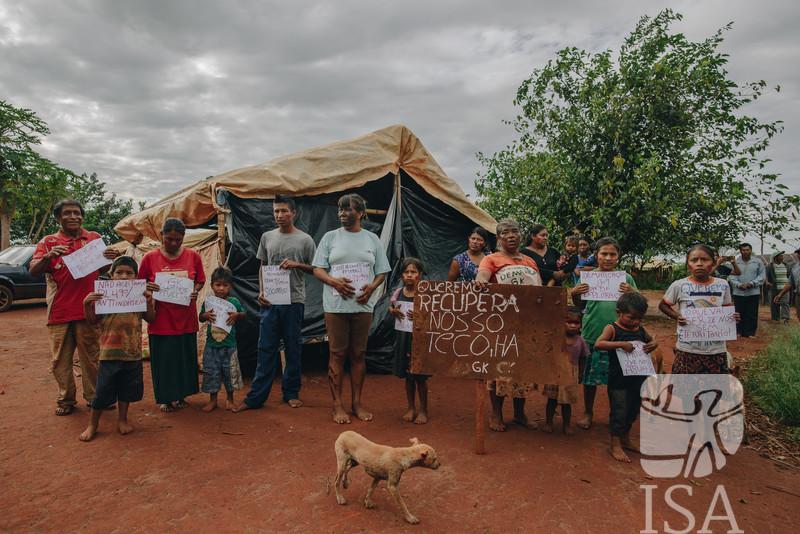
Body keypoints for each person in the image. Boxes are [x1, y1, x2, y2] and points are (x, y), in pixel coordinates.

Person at [29, 198, 121, 416]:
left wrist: (112, 257)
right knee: (60, 360)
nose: (73, 216)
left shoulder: (94, 238)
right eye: (68, 213)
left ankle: (95, 397)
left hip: (88, 310)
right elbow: (33, 269)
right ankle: (66, 399)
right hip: (59, 310)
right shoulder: (48, 242)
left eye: (77, 213)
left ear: (82, 216)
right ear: (58, 218)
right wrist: (48, 258)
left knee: (92, 356)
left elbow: (106, 270)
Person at [312, 194, 391, 424]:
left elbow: (381, 271)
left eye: (347, 210)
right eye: (340, 210)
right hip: (335, 305)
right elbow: (318, 268)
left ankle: (357, 402)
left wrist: (372, 287)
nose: (342, 214)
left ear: (360, 213)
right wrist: (333, 281)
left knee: (359, 353)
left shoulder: (371, 239)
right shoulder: (330, 238)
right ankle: (337, 404)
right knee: (337, 352)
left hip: (362, 304)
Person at [236, 195, 316, 412]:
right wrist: (261, 290)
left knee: (293, 349)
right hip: (270, 302)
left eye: (283, 211)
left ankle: (291, 393)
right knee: (265, 349)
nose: (279, 215)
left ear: (294, 213)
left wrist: (297, 264)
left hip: (294, 302)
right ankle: (255, 398)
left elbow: (316, 269)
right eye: (276, 211)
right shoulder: (266, 237)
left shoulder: (305, 240)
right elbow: (263, 267)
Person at [475, 219, 542, 432]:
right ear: (499, 238)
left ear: (521, 236)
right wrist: (480, 281)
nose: (511, 235)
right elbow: (483, 276)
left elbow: (540, 291)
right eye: (506, 233)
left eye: (515, 231)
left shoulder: (530, 261)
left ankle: (520, 413)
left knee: (523, 371)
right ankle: (496, 414)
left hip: (526, 324)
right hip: (501, 324)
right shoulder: (491, 259)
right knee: (499, 371)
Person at [79, 256, 156, 441]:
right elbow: (92, 321)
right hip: (108, 354)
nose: (123, 277)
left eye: (129, 273)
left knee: (126, 390)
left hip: (132, 353)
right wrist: (86, 304)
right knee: (102, 392)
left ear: (136, 277)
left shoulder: (139, 296)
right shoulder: (105, 297)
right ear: (111, 275)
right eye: (119, 272)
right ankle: (92, 425)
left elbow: (151, 319)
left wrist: (149, 301)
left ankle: (122, 419)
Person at [570, 236, 638, 430]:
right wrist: (575, 294)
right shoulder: (588, 278)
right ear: (596, 255)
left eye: (612, 254)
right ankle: (588, 412)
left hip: (620, 336)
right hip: (592, 332)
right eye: (604, 254)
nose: (608, 258)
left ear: (618, 256)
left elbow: (638, 307)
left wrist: (632, 292)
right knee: (589, 379)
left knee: (616, 380)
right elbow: (580, 306)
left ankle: (614, 415)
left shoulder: (626, 279)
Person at [138, 218, 205, 412]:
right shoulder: (150, 258)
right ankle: (166, 399)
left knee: (185, 359)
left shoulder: (193, 256)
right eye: (169, 239)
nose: (174, 243)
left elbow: (200, 279)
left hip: (186, 318)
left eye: (178, 239)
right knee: (164, 360)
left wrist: (195, 290)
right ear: (162, 236)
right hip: (160, 319)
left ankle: (182, 395)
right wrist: (147, 287)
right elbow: (138, 283)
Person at [594, 292, 657, 463]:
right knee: (619, 411)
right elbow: (599, 343)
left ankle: (626, 439)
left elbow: (652, 341)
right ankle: (615, 444)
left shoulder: (641, 330)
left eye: (639, 319)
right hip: (619, 381)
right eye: (631, 318)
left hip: (638, 379)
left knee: (632, 410)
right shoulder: (612, 328)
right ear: (618, 312)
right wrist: (620, 344)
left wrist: (653, 344)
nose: (635, 322)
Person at [659, 244, 739, 374]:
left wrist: (732, 317)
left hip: (716, 349)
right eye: (694, 260)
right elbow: (663, 305)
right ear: (688, 264)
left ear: (713, 262)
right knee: (685, 387)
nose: (699, 264)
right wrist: (676, 316)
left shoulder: (722, 285)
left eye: (705, 259)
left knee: (715, 387)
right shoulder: (679, 285)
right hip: (687, 348)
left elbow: (727, 309)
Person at [199, 266, 245, 412]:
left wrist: (237, 315)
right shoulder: (208, 303)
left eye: (225, 285)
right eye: (218, 285)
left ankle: (230, 400)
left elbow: (244, 314)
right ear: (212, 285)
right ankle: (213, 401)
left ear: (230, 286)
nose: (221, 288)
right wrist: (205, 316)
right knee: (212, 372)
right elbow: (201, 317)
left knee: (229, 373)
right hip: (211, 345)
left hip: (229, 346)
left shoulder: (234, 302)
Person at [389, 258, 430, 424]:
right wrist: (392, 311)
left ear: (419, 275)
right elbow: (391, 307)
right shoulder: (398, 293)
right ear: (402, 275)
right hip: (403, 338)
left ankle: (423, 409)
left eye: (413, 272)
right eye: (407, 272)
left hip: (419, 341)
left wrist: (422, 316)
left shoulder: (425, 294)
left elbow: (435, 315)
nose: (410, 275)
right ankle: (411, 407)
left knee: (420, 377)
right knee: (408, 376)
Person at [542, 307, 587, 435]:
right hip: (555, 373)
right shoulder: (556, 338)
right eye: (569, 322)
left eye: (576, 323)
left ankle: (566, 425)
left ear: (581, 325)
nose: (572, 325)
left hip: (571, 373)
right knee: (551, 400)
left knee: (567, 403)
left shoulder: (581, 341)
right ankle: (548, 423)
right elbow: (548, 354)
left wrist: (580, 374)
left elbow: (583, 358)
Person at [728, 243, 765, 338]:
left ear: (751, 250)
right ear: (740, 251)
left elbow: (762, 276)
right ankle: (738, 331)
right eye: (743, 250)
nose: (745, 252)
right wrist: (738, 284)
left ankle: (750, 333)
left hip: (753, 292)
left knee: (752, 312)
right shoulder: (735, 262)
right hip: (738, 292)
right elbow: (731, 276)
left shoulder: (758, 262)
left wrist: (752, 283)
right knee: (738, 312)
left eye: (747, 250)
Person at [766, 251, 791, 324]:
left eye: (782, 256)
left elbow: (789, 275)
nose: (782, 257)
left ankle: (785, 319)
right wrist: (767, 282)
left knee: (785, 303)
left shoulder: (786, 265)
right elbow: (766, 275)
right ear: (775, 257)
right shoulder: (770, 266)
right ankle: (775, 318)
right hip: (774, 287)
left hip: (785, 288)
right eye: (780, 256)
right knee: (774, 303)